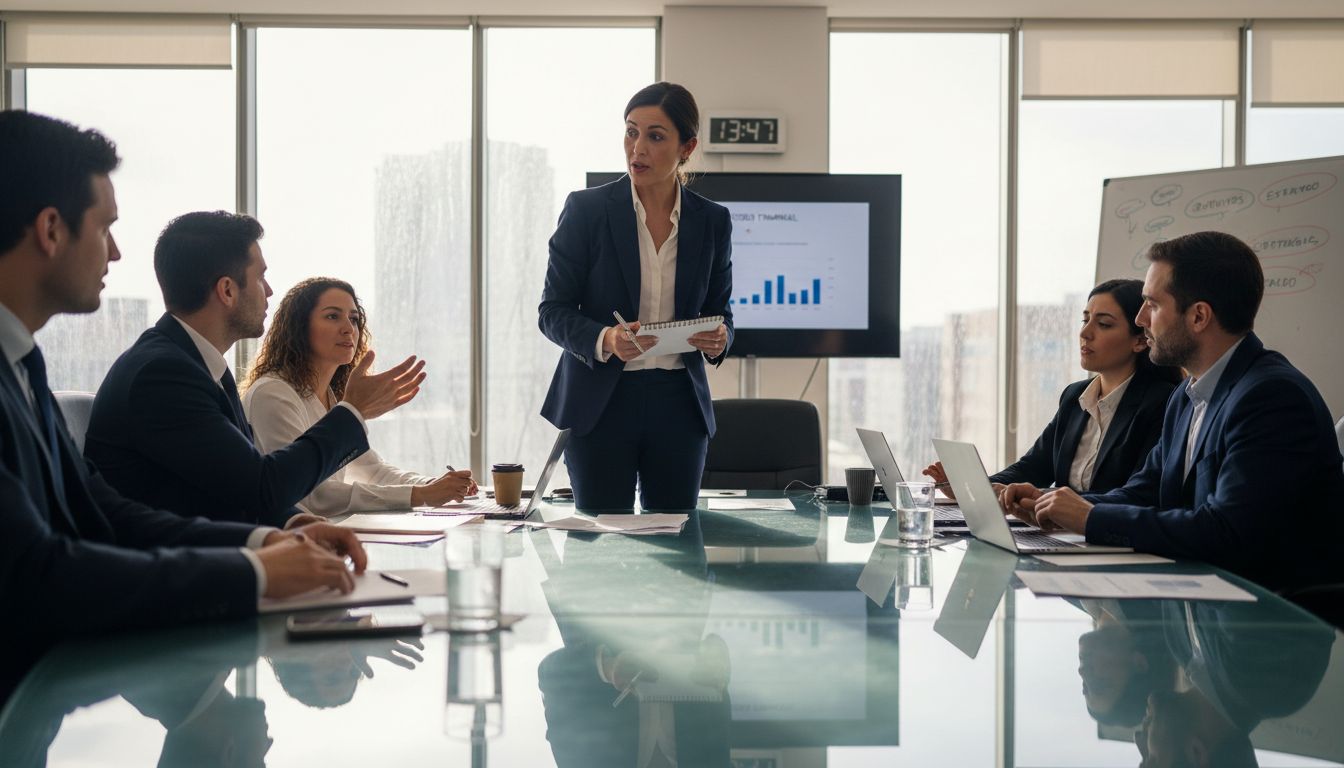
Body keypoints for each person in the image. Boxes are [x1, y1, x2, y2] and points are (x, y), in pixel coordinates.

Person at [0, 109, 367, 705]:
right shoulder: (159, 371)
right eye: (105, 227)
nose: (117, 253)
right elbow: (40, 575)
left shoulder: (23, 362)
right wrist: (256, 571)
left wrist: (261, 544)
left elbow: (101, 506)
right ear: (50, 229)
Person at [1021, 231, 1344, 591]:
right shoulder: (1187, 396)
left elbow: (1227, 532)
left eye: (1153, 305)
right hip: (1204, 606)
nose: (1142, 319)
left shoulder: (1271, 397)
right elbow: (1144, 491)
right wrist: (1049, 504)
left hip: (1270, 624)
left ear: (1199, 316)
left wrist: (1091, 517)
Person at [85, 211, 427, 528]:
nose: (269, 291)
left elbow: (240, 485)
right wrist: (353, 412)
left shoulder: (200, 367)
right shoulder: (162, 375)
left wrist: (296, 524)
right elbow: (263, 485)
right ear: (228, 290)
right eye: (261, 276)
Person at [538, 82, 733, 511]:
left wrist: (721, 339)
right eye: (631, 132)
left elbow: (722, 313)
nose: (637, 147)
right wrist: (606, 339)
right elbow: (551, 311)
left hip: (679, 404)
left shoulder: (713, 222)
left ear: (688, 146)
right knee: (601, 549)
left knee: (677, 543)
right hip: (600, 402)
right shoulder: (587, 211)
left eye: (655, 136)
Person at [924, 278, 1180, 502]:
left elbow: (1136, 495)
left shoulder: (1163, 402)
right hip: (1063, 536)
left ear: (1139, 341)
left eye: (1103, 324)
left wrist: (1042, 497)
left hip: (1109, 538)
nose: (1085, 332)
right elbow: (1033, 467)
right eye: (1085, 319)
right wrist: (973, 488)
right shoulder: (1074, 397)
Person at [242, 277, 476, 515]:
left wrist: (435, 485)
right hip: (286, 543)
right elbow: (311, 495)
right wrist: (421, 495)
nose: (348, 328)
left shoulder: (330, 397)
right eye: (332, 316)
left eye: (354, 319)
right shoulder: (272, 393)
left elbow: (373, 471)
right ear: (299, 327)